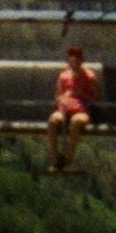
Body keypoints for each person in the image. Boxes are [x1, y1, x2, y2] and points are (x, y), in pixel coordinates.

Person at [48, 39, 97, 172]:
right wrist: (63, 98)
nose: (74, 62)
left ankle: (68, 157)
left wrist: (80, 94)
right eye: (72, 60)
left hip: (81, 110)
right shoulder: (63, 76)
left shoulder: (89, 76)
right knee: (53, 121)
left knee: (76, 122)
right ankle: (55, 158)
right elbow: (57, 95)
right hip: (65, 109)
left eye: (77, 60)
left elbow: (94, 97)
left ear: (81, 60)